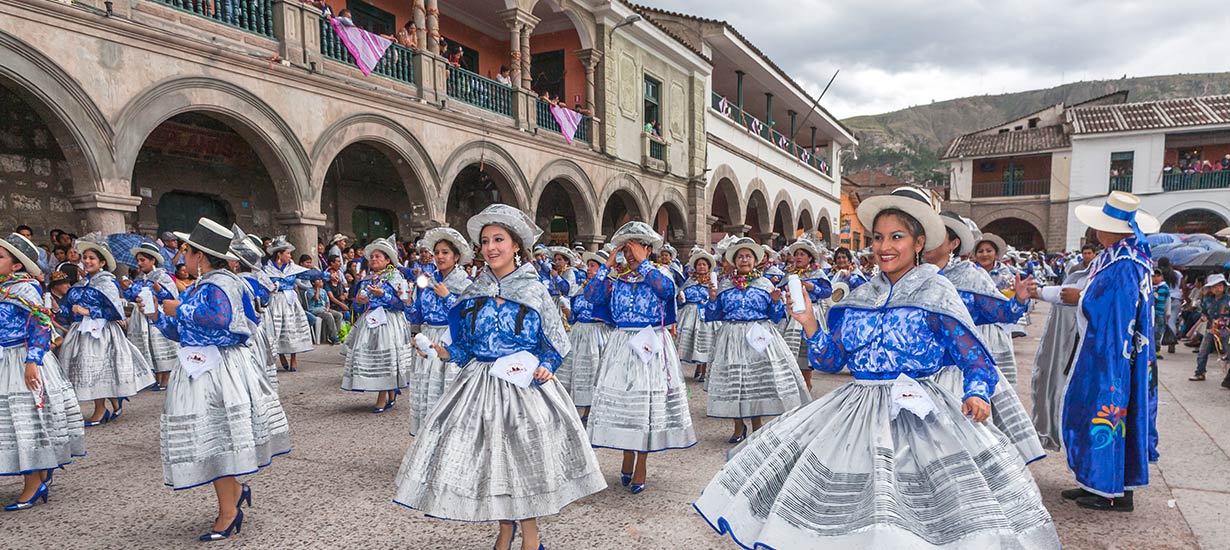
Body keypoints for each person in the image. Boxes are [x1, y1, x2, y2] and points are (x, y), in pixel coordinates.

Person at [695, 186, 1060, 548]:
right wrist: (809, 324)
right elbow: (831, 360)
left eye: (896, 237)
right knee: (855, 514)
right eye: (878, 237)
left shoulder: (937, 293)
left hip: (920, 419)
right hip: (857, 415)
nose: (884, 246)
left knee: (914, 516)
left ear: (919, 243)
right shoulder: (859, 298)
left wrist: (977, 394)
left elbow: (977, 361)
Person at [394, 204, 605, 550]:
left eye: (499, 240)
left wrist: (546, 367)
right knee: (493, 464)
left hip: (523, 388)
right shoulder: (474, 292)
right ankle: (504, 529)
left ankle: (531, 536)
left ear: (516, 245)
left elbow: (554, 344)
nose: (491, 247)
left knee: (522, 463)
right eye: (486, 241)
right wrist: (438, 350)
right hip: (479, 385)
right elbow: (463, 348)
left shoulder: (534, 290)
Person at [143, 218, 291, 541]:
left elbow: (220, 319)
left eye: (186, 250)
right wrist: (157, 316)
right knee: (214, 437)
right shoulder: (205, 283)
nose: (181, 256)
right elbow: (186, 333)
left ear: (200, 255)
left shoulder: (221, 284)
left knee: (216, 439)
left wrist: (176, 307)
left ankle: (229, 511)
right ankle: (235, 493)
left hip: (217, 370)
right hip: (202, 366)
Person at [1062, 191, 1158, 511]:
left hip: (1112, 349)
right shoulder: (1123, 257)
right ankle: (1095, 480)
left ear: (1109, 230)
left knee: (1108, 409)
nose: (1095, 232)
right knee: (1102, 411)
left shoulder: (1124, 263)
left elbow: (1114, 309)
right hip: (1115, 347)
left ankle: (1109, 487)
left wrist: (1082, 300)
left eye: (1099, 227)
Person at [583, 222, 696, 493]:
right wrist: (608, 265)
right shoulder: (617, 278)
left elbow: (666, 291)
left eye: (635, 248)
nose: (630, 255)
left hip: (651, 343)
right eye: (626, 249)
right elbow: (591, 296)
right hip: (622, 343)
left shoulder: (660, 273)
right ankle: (626, 453)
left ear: (648, 249)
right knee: (625, 403)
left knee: (645, 403)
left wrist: (644, 263)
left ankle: (641, 462)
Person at [926, 211, 1044, 463]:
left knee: (962, 444)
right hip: (920, 373)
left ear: (953, 243)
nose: (928, 239)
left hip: (959, 371)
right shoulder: (911, 275)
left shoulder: (969, 275)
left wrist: (1019, 299)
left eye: (938, 235)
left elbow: (1002, 311)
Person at [0, 233, 85, 511]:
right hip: (5, 358)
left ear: (16, 266)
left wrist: (32, 361)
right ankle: (36, 474)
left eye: (0, 256)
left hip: (23, 359)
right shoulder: (3, 287)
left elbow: (40, 325)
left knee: (27, 418)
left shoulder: (25, 289)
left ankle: (33, 483)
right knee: (14, 421)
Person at [704, 237, 811, 444]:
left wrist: (775, 302)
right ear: (735, 261)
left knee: (755, 382)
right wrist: (711, 299)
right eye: (741, 257)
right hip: (731, 337)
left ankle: (757, 425)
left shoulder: (765, 284)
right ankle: (738, 425)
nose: (745, 260)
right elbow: (712, 315)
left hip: (759, 336)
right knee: (735, 383)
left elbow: (776, 315)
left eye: (748, 256)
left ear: (755, 261)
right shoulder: (724, 285)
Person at [56, 234, 154, 426]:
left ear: (102, 262)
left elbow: (114, 310)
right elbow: (68, 310)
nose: (87, 261)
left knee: (96, 369)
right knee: (89, 369)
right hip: (81, 332)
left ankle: (100, 410)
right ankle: (113, 400)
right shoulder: (80, 284)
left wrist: (87, 310)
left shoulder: (107, 283)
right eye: (85, 258)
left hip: (100, 332)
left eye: (92, 258)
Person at [405, 227, 473, 433]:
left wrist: (448, 297)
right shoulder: (427, 281)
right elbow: (416, 315)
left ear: (456, 256)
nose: (440, 257)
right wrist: (406, 299)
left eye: (445, 252)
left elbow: (469, 315)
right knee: (426, 387)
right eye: (437, 253)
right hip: (428, 338)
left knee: (448, 389)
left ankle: (449, 436)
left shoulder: (465, 283)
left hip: (450, 339)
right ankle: (427, 435)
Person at [1031, 243, 1095, 451]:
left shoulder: (1124, 264)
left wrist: (1083, 298)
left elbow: (1117, 301)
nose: (1086, 255)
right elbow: (1066, 291)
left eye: (1089, 252)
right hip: (1079, 337)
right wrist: (1038, 292)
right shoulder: (1081, 269)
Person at [341, 234, 412, 413]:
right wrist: (359, 300)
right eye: (371, 257)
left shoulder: (396, 277)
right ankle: (389, 390)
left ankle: (383, 396)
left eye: (378, 256)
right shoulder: (367, 279)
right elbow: (357, 305)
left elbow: (402, 304)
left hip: (389, 321)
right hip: (370, 320)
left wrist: (384, 295)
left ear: (388, 260)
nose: (373, 259)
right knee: (372, 357)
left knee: (385, 356)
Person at [554, 249, 611, 419]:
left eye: (593, 266)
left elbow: (610, 314)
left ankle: (591, 409)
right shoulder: (580, 290)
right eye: (588, 265)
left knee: (593, 371)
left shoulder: (607, 288)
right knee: (574, 369)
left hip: (596, 334)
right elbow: (573, 319)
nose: (588, 268)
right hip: (578, 333)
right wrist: (568, 312)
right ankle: (573, 406)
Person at [122, 242, 180, 392]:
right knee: (149, 346)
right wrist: (127, 288)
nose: (139, 264)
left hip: (157, 313)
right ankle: (156, 375)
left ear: (153, 260)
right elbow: (133, 297)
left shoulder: (163, 276)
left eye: (143, 260)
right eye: (138, 261)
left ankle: (166, 377)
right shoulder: (141, 279)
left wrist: (159, 289)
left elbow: (171, 297)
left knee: (160, 343)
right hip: (141, 316)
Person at [779, 237, 833, 390]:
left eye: (802, 254)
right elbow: (781, 289)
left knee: (807, 347)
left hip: (811, 313)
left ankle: (807, 382)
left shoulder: (817, 273)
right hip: (793, 315)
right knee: (792, 346)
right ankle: (795, 383)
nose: (798, 257)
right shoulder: (789, 274)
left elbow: (827, 292)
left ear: (810, 258)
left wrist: (812, 287)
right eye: (796, 254)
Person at [970, 232, 1023, 385]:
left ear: (996, 254)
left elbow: (1011, 301)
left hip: (997, 328)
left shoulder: (1005, 275)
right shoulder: (970, 274)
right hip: (975, 327)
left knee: (1000, 372)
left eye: (989, 250)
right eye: (980, 251)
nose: (984, 254)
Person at [262, 236, 320, 372]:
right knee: (277, 329)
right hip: (275, 301)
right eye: (287, 253)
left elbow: (309, 274)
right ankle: (281, 355)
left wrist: (327, 275)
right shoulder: (267, 269)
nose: (290, 256)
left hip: (290, 302)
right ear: (279, 254)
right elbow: (264, 283)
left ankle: (293, 358)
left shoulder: (292, 268)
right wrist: (274, 286)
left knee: (292, 328)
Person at [676, 247, 715, 381]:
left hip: (705, 314)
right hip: (689, 314)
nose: (701, 267)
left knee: (705, 342)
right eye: (699, 264)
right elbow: (682, 299)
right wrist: (681, 299)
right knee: (689, 341)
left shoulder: (712, 281)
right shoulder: (689, 281)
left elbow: (715, 299)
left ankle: (704, 371)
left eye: (704, 264)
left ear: (708, 267)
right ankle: (695, 367)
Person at [1190, 274, 1229, 384]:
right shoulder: (1207, 299)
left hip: (1225, 331)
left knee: (1228, 352)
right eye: (1214, 286)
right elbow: (1204, 311)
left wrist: (1223, 322)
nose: (1217, 289)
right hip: (1210, 329)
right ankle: (1200, 372)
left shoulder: (1228, 300)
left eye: (1220, 286)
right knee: (1203, 351)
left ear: (1224, 287)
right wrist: (1204, 316)